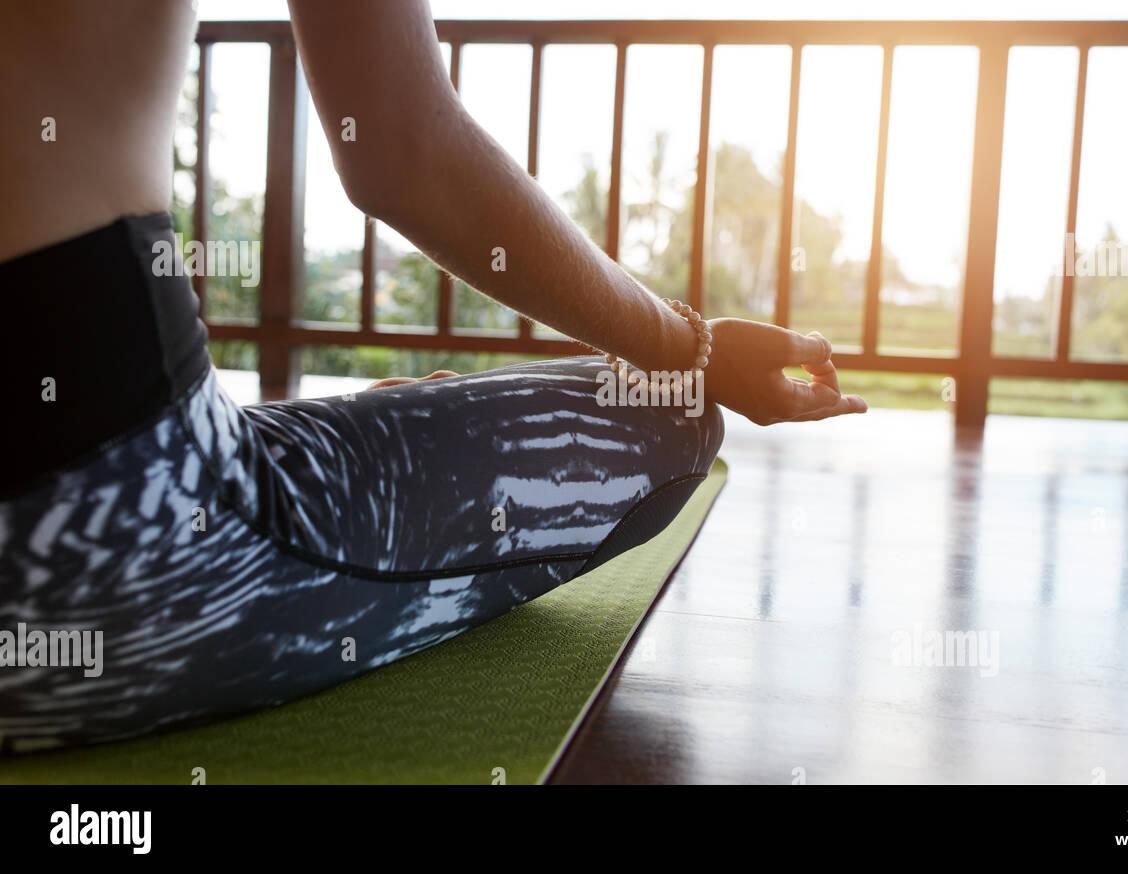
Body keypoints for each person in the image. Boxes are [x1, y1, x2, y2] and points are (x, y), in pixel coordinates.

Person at [0, 0, 865, 752]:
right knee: (665, 416)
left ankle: (365, 437)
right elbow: (398, 147)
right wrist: (691, 347)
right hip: (98, 545)